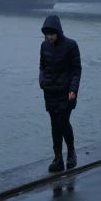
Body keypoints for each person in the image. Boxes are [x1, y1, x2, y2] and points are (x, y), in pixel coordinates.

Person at [39, 14, 82, 172]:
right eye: (46, 34)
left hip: (66, 92)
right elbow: (42, 66)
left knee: (63, 122)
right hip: (50, 91)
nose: (49, 37)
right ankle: (58, 158)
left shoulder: (71, 45)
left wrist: (73, 89)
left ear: (58, 31)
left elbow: (76, 69)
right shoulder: (44, 46)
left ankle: (71, 152)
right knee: (54, 125)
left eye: (51, 33)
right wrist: (42, 81)